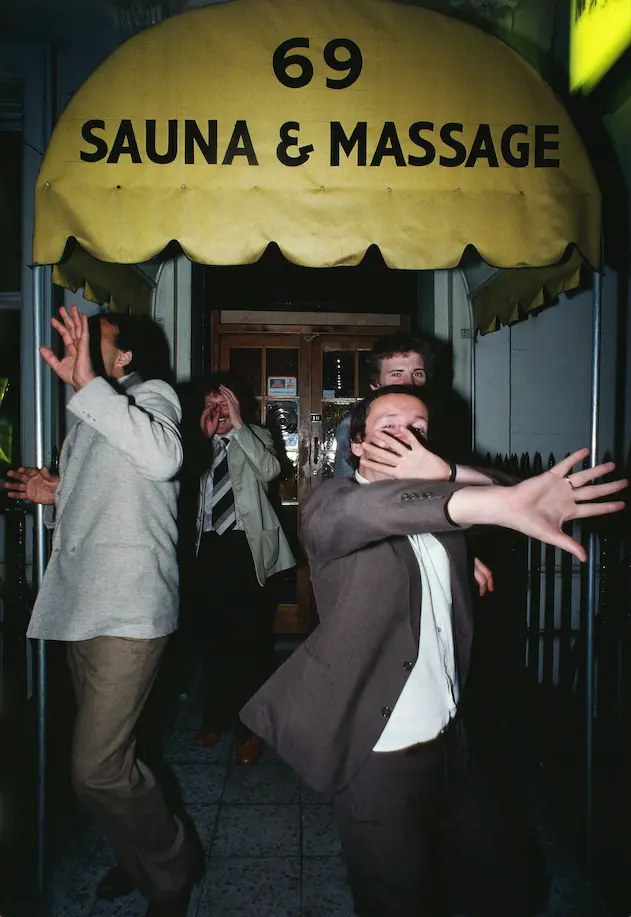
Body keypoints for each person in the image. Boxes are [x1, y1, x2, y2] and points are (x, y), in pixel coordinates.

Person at [241, 385, 626, 917]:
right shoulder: (333, 503)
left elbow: (512, 488)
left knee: (506, 885)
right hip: (380, 750)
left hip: (453, 736)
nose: (407, 436)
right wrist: (488, 502)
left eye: (418, 427)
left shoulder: (438, 504)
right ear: (357, 445)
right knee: (397, 900)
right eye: (389, 426)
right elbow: (376, 512)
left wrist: (449, 474)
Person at [5, 307, 200, 917]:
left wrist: (87, 383)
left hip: (130, 611)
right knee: (118, 757)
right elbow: (115, 491)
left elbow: (163, 460)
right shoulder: (89, 417)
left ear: (125, 357)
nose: (81, 343)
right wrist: (54, 491)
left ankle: (171, 869)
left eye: (97, 338)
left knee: (95, 769)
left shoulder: (152, 396)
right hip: (83, 604)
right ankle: (138, 856)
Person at [194, 371, 295, 764]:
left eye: (225, 404)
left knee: (250, 640)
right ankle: (214, 717)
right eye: (211, 404)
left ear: (238, 406)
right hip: (206, 549)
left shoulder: (257, 435)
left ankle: (250, 726)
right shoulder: (193, 442)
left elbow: (270, 471)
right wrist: (200, 440)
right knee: (211, 638)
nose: (218, 411)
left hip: (247, 548)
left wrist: (238, 427)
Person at [333, 331, 431, 479]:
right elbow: (346, 484)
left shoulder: (441, 420)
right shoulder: (353, 424)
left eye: (418, 374)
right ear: (375, 385)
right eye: (397, 374)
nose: (409, 383)